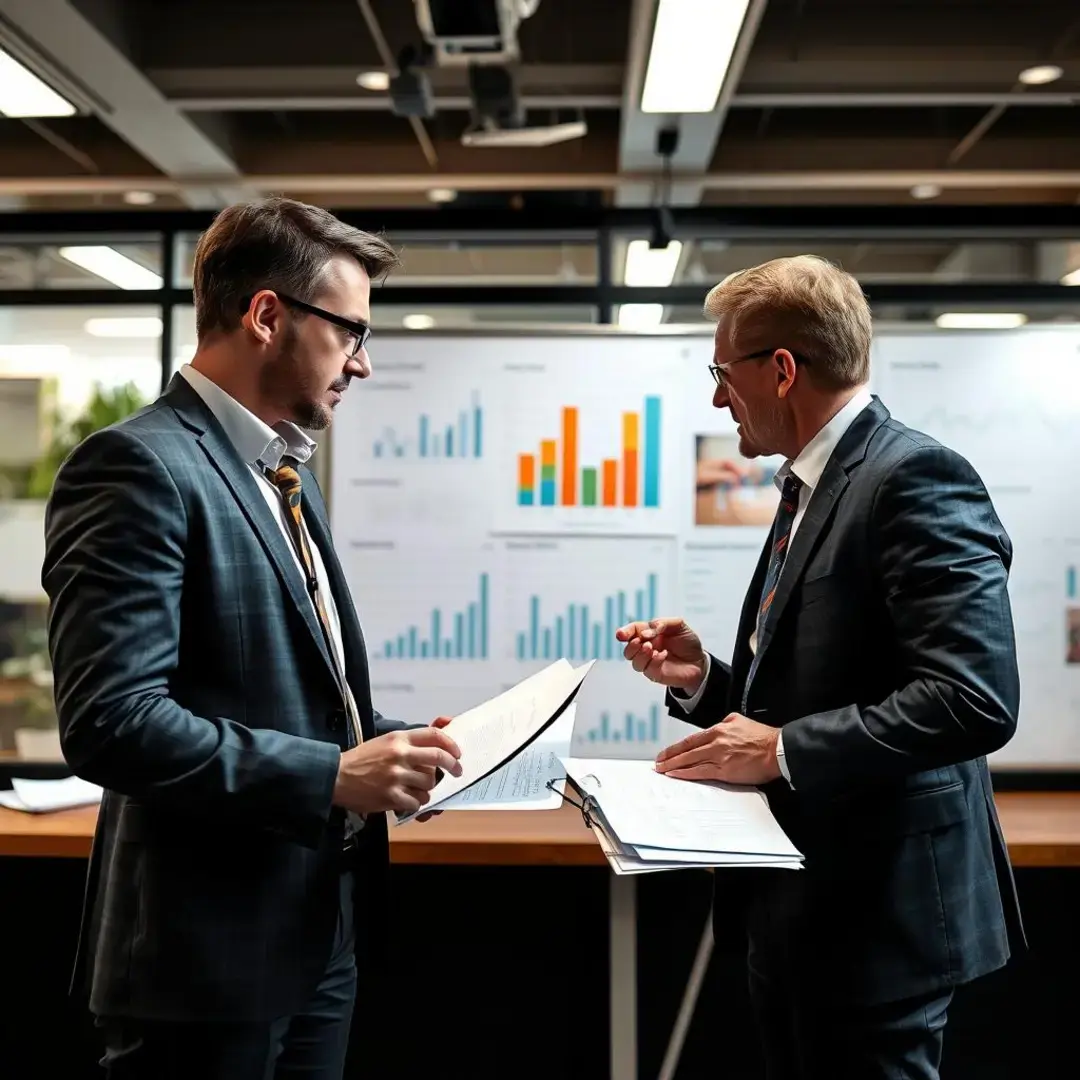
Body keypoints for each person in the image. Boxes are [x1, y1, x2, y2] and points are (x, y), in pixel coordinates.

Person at [41, 196, 463, 1080]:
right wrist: (332, 776)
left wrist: (393, 739)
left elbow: (286, 683)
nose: (364, 364)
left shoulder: (277, 470)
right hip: (204, 964)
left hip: (316, 935)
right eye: (352, 332)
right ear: (267, 315)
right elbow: (111, 720)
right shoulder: (138, 466)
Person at [617, 255, 1024, 1080]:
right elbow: (820, 693)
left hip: (879, 920)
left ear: (782, 370)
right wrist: (705, 682)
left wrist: (776, 752)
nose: (715, 397)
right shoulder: (814, 484)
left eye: (721, 373)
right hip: (803, 912)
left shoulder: (913, 477)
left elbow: (972, 698)